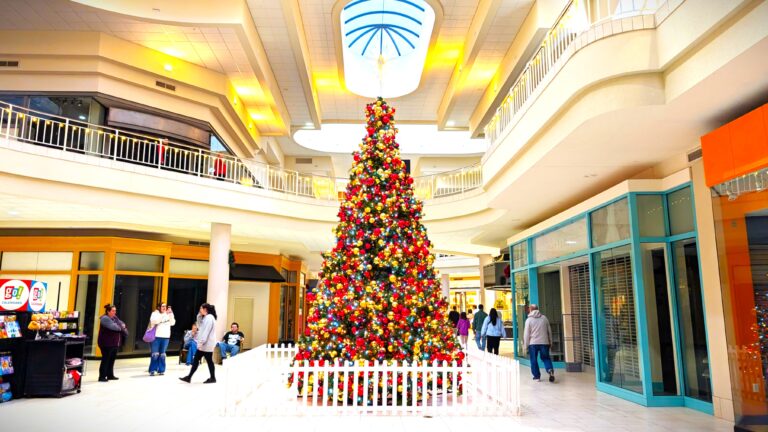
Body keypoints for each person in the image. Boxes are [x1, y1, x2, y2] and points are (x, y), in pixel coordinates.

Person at [180, 303, 217, 384]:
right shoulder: (206, 317)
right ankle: (190, 377)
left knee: (202, 360)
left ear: (205, 309)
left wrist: (200, 343)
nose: (199, 310)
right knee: (203, 360)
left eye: (201, 308)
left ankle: (190, 377)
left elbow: (205, 332)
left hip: (206, 344)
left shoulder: (209, 318)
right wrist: (199, 315)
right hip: (205, 344)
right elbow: (200, 326)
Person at [523, 304, 555, 382]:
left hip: (533, 343)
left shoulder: (529, 320)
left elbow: (526, 334)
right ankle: (549, 369)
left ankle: (537, 376)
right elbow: (549, 331)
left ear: (531, 309)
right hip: (544, 342)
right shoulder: (544, 318)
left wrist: (525, 345)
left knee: (533, 359)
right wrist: (551, 341)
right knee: (546, 358)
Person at [97, 304, 127, 382]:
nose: (115, 312)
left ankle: (110, 375)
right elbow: (116, 327)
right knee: (106, 359)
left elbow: (123, 324)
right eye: (113, 311)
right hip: (106, 343)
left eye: (115, 310)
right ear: (108, 311)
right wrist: (120, 326)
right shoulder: (105, 318)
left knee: (111, 359)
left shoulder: (114, 318)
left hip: (114, 343)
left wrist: (120, 325)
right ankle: (102, 376)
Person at [147, 303, 175, 376]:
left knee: (162, 354)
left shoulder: (168, 314)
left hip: (166, 337)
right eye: (162, 306)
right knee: (155, 354)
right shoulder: (155, 313)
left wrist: (171, 314)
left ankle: (161, 370)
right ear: (158, 307)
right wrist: (164, 314)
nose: (164, 307)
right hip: (156, 337)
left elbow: (172, 323)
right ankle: (152, 370)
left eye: (165, 306)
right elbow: (154, 321)